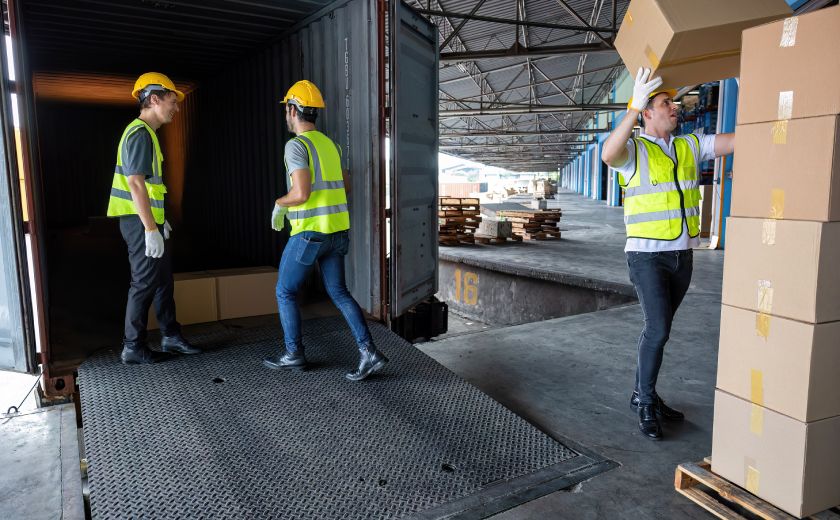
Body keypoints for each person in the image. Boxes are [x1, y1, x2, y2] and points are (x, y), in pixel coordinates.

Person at [601, 68, 735, 439]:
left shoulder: (688, 145)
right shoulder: (634, 152)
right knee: (657, 329)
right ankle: (644, 400)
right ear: (648, 112)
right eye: (665, 104)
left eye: (674, 103)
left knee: (662, 330)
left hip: (682, 257)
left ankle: (645, 393)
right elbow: (608, 154)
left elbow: (735, 141)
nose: (674, 108)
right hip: (647, 258)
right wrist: (632, 106)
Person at [263, 80, 387, 381]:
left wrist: (280, 203)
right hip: (336, 233)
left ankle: (294, 353)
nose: (286, 114)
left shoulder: (296, 145)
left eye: (287, 110)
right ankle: (368, 351)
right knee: (339, 292)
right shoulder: (329, 145)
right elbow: (345, 184)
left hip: (309, 234)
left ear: (292, 110)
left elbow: (301, 193)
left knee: (285, 291)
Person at [106, 72, 201, 364]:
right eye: (172, 102)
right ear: (155, 99)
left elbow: (149, 187)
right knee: (144, 282)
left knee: (161, 281)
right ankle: (132, 346)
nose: (176, 108)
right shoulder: (139, 133)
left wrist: (160, 221)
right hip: (139, 223)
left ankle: (170, 336)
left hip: (149, 220)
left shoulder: (148, 134)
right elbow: (135, 184)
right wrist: (149, 228)